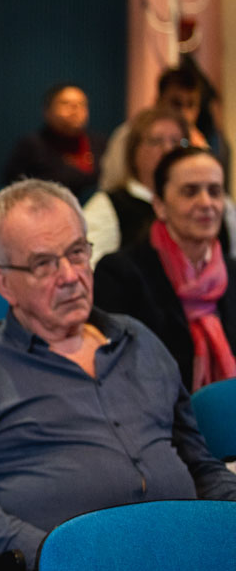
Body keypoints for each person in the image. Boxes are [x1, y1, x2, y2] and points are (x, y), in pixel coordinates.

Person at [0, 179, 236, 569]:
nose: (71, 275)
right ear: (3, 283)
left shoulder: (138, 340)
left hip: (188, 555)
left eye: (77, 253)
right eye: (43, 264)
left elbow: (197, 463)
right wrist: (50, 552)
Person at [94, 146, 236, 391]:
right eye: (190, 192)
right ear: (159, 205)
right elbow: (117, 371)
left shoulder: (232, 272)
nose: (206, 203)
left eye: (214, 192)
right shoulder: (119, 274)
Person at [83, 108, 187, 266]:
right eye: (156, 141)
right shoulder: (110, 205)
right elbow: (87, 266)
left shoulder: (206, 203)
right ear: (134, 151)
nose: (168, 149)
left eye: (177, 142)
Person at [100, 66, 208, 192]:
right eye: (176, 103)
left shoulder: (200, 144)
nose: (184, 113)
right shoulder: (129, 134)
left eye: (190, 105)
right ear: (158, 101)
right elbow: (111, 187)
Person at [2, 83, 104, 197]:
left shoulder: (99, 143)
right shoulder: (32, 145)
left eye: (82, 104)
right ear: (47, 111)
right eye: (66, 103)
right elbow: (14, 189)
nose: (75, 109)